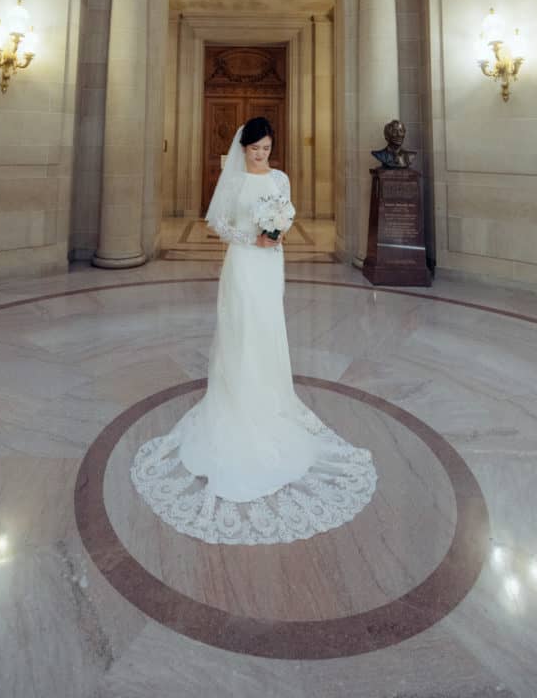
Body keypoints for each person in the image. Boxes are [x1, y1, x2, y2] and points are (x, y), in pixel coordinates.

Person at [131, 117, 377, 545]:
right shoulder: (236, 180)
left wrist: (277, 232)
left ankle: (269, 394)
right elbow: (218, 224)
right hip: (244, 263)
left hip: (271, 266)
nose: (261, 155)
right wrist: (252, 237)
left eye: (266, 148)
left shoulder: (280, 177)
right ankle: (236, 398)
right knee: (240, 330)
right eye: (254, 149)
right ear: (242, 149)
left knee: (267, 329)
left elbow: (284, 216)